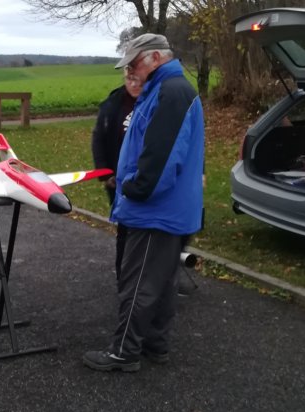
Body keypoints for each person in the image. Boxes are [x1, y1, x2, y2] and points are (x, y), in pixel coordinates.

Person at [83, 33, 205, 372]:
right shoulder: (165, 90)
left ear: (154, 58)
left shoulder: (171, 92)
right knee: (161, 284)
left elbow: (163, 155)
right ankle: (155, 345)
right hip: (165, 209)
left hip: (155, 210)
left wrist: (135, 188)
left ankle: (124, 352)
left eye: (134, 63)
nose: (131, 71)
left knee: (138, 284)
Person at [91, 72, 142, 280]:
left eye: (138, 80)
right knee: (125, 229)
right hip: (117, 179)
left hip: (144, 176)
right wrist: (105, 172)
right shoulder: (113, 105)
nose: (133, 84)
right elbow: (98, 139)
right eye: (129, 79)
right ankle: (124, 276)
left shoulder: (154, 101)